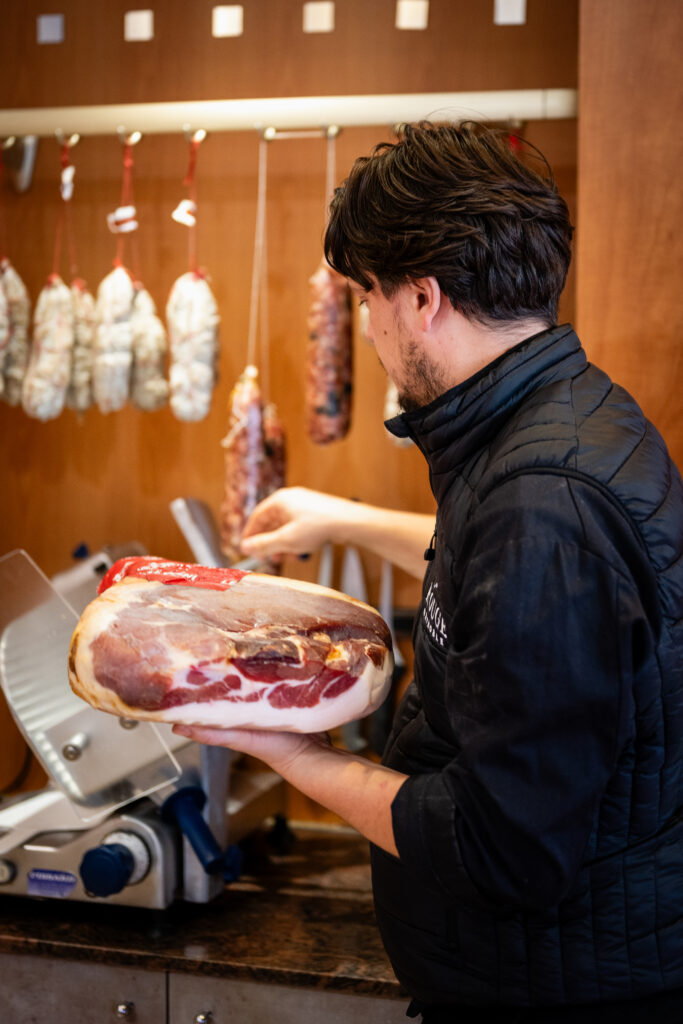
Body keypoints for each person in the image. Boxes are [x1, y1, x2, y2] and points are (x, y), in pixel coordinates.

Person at [174, 122, 683, 1021]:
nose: (366, 326)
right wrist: (346, 517)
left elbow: (502, 851)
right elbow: (504, 576)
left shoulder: (543, 506)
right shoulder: (566, 413)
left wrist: (282, 745)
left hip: (557, 996)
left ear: (421, 299)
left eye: (366, 296)